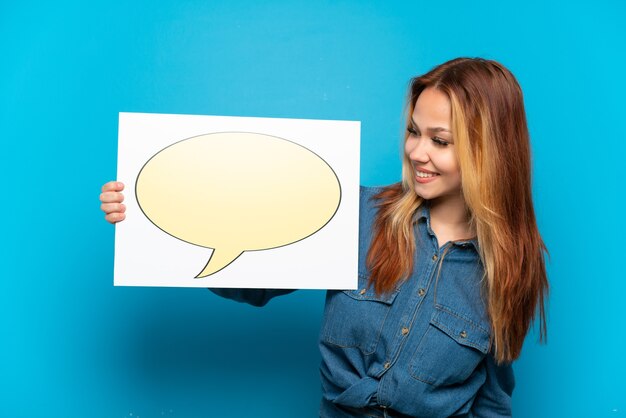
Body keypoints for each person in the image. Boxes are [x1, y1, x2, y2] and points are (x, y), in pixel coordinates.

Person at [100, 57, 548, 417]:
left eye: (440, 140)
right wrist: (140, 219)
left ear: (488, 151)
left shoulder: (511, 266)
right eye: (413, 131)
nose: (417, 151)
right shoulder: (356, 214)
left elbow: (492, 400)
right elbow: (252, 280)